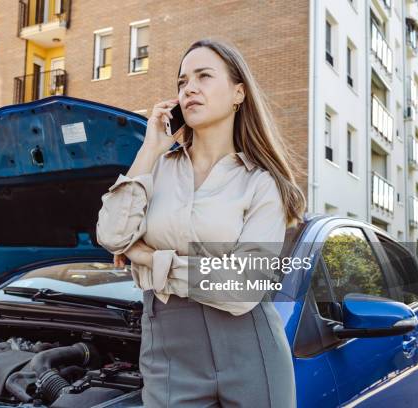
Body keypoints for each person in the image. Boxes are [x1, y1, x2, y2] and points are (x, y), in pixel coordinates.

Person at [96, 38, 306, 408]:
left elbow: (243, 288)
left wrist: (148, 259)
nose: (189, 88)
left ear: (238, 92)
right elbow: (112, 236)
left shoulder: (261, 183)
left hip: (251, 351)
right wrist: (150, 149)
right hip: (169, 353)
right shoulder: (156, 168)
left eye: (204, 76)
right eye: (181, 82)